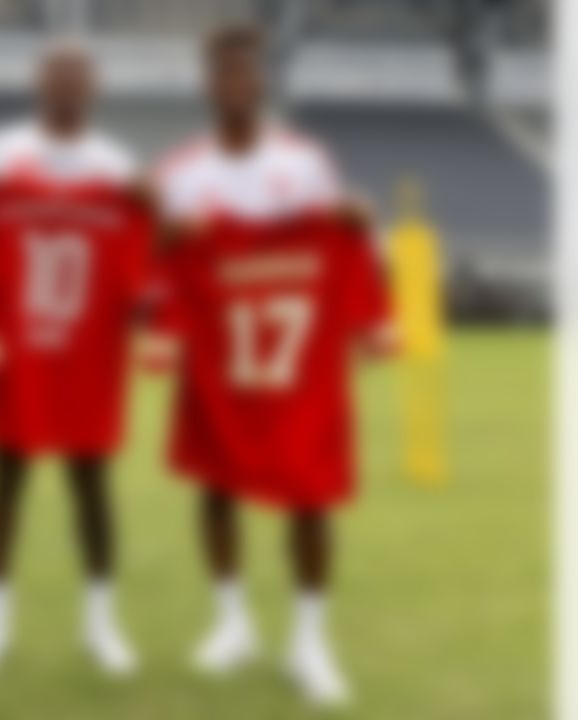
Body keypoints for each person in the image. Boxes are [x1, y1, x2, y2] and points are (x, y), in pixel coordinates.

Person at [150, 23, 394, 705]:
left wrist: (369, 308)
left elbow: (349, 242)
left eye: (245, 73)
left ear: (261, 83)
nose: (234, 84)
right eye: (222, 73)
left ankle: (310, 640)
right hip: (218, 370)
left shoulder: (308, 163)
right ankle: (232, 624)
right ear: (206, 84)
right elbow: (147, 267)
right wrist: (164, 242)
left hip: (300, 372)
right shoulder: (176, 173)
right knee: (215, 490)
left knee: (311, 501)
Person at [0, 38, 151, 676]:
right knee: (3, 480)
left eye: (78, 75)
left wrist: (152, 208)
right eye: (56, 74)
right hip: (15, 350)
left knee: (91, 485)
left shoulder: (119, 169)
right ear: (37, 82)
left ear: (94, 87)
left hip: (88, 355)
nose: (66, 84)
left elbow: (148, 267)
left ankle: (101, 623)